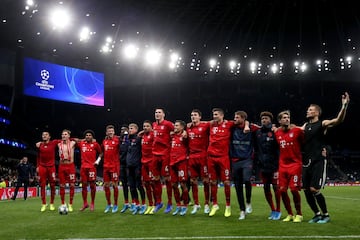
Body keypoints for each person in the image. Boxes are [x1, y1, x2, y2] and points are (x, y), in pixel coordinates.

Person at [302, 92, 350, 224]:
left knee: (314, 189)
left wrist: (344, 106)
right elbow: (293, 130)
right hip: (306, 162)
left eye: (310, 109)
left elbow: (338, 120)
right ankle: (317, 214)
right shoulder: (305, 126)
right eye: (308, 109)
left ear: (317, 112)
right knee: (306, 190)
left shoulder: (323, 123)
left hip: (318, 160)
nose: (308, 111)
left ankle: (326, 215)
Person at [274, 110, 304, 223]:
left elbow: (306, 142)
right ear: (279, 120)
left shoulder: (297, 131)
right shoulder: (277, 133)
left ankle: (299, 214)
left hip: (295, 164)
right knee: (281, 190)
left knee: (294, 190)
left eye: (288, 117)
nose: (287, 119)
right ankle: (290, 214)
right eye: (284, 117)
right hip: (282, 166)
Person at [230, 111, 258, 220]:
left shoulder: (251, 128)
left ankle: (248, 201)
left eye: (237, 117)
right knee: (237, 187)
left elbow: (263, 128)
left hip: (247, 159)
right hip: (235, 160)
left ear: (243, 119)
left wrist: (247, 124)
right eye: (234, 117)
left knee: (247, 180)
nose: (235, 119)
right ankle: (242, 210)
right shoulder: (232, 127)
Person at [254, 111, 281, 220]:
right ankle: (273, 209)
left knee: (276, 188)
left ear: (270, 120)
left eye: (266, 118)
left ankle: (278, 210)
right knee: (266, 188)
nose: (264, 120)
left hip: (274, 165)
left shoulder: (276, 131)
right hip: (262, 165)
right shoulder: (258, 132)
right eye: (262, 119)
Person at [207, 108, 234, 217]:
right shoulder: (211, 125)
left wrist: (246, 125)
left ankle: (228, 206)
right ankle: (214, 205)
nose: (214, 116)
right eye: (213, 114)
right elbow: (200, 124)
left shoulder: (229, 124)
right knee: (213, 182)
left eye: (216, 114)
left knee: (226, 182)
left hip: (223, 158)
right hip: (211, 157)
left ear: (222, 115)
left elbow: (242, 122)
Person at [186, 109, 210, 214]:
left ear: (200, 117)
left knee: (205, 181)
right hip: (192, 157)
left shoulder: (205, 126)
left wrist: (204, 122)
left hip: (203, 156)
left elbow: (214, 122)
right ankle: (196, 204)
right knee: (193, 181)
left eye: (195, 115)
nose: (193, 117)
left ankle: (206, 204)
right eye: (191, 115)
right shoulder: (188, 128)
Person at [152, 108, 174, 213]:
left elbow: (177, 131)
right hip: (155, 155)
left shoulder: (168, 124)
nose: (157, 114)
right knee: (155, 179)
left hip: (165, 154)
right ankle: (159, 202)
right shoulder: (154, 125)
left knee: (167, 179)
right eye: (156, 112)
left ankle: (170, 203)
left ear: (164, 114)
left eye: (159, 112)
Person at [95, 124, 120, 213]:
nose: (110, 132)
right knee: (106, 186)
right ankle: (109, 204)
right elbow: (101, 153)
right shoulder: (104, 141)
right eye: (109, 131)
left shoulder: (117, 140)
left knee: (114, 185)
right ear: (106, 132)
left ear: (114, 132)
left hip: (114, 166)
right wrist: (98, 160)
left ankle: (116, 204)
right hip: (106, 166)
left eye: (112, 131)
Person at [77, 129, 102, 211]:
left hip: (92, 167)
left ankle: (92, 203)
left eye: (89, 135)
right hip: (83, 168)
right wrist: (82, 139)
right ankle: (85, 203)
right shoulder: (81, 143)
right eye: (87, 135)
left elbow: (101, 153)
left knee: (92, 185)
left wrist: (97, 161)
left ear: (92, 137)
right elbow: (73, 139)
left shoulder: (95, 144)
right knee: (84, 186)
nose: (88, 136)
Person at [36, 131, 60, 212]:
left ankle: (52, 203)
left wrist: (81, 139)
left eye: (46, 135)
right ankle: (43, 204)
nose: (44, 136)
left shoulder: (53, 143)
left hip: (51, 167)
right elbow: (38, 156)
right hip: (42, 167)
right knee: (42, 185)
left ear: (49, 137)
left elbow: (65, 139)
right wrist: (37, 166)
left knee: (52, 185)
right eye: (43, 135)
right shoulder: (40, 145)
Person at [169, 120, 189, 216]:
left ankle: (185, 205)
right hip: (172, 163)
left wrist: (185, 132)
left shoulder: (185, 136)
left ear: (182, 127)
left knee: (183, 184)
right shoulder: (172, 136)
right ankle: (178, 205)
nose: (175, 127)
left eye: (177, 126)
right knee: (173, 184)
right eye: (174, 125)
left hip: (181, 162)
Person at [126, 123, 146, 214]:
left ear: (136, 130)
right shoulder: (128, 139)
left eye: (131, 128)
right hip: (129, 166)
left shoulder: (139, 138)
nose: (129, 130)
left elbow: (147, 133)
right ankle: (137, 205)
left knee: (139, 186)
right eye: (129, 128)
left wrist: (141, 133)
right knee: (132, 187)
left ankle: (144, 204)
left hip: (137, 165)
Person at [57, 129, 77, 212]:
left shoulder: (73, 143)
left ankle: (70, 204)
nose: (63, 136)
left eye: (65, 134)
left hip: (70, 166)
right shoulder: (58, 144)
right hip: (62, 166)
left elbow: (81, 140)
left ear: (69, 136)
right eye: (62, 134)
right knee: (62, 186)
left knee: (72, 185)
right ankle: (63, 203)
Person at [139, 120, 156, 215]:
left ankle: (155, 204)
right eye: (144, 126)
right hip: (144, 162)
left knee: (152, 183)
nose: (145, 127)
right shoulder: (142, 136)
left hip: (151, 162)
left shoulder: (153, 135)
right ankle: (150, 204)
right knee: (146, 184)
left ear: (151, 127)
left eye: (147, 126)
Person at [119, 125, 131, 213]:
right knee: (124, 185)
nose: (123, 131)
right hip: (122, 165)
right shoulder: (119, 140)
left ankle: (135, 203)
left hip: (130, 164)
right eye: (121, 130)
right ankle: (126, 203)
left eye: (125, 130)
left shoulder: (131, 139)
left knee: (133, 185)